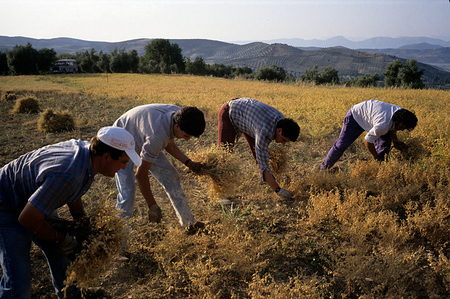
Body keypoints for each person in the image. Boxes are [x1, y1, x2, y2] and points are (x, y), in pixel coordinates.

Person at [0, 126, 141, 298]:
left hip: (35, 198)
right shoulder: (69, 173)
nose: (125, 168)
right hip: (6, 204)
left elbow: (69, 190)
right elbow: (27, 219)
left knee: (59, 251)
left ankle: (71, 294)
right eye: (124, 162)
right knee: (17, 279)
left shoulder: (85, 155)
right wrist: (63, 239)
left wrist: (79, 216)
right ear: (106, 157)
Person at [113, 104, 206, 231]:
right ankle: (119, 239)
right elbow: (140, 175)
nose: (187, 140)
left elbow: (169, 144)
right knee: (128, 192)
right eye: (186, 136)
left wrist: (189, 163)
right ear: (177, 126)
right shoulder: (157, 137)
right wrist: (152, 205)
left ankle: (189, 224)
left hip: (142, 135)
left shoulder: (178, 114)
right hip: (120, 140)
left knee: (171, 176)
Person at [217, 97, 300, 200]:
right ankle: (220, 194)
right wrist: (278, 190)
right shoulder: (263, 133)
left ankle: (267, 181)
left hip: (247, 117)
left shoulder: (282, 120)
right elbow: (264, 165)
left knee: (259, 155)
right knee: (224, 155)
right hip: (230, 112)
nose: (283, 143)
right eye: (283, 140)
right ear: (279, 131)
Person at [320, 99, 418, 170]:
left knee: (385, 144)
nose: (402, 129)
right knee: (342, 144)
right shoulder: (383, 125)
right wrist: (375, 156)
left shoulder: (401, 114)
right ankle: (324, 168)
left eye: (404, 128)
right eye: (402, 127)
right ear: (397, 121)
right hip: (356, 117)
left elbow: (392, 129)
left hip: (373, 116)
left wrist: (396, 142)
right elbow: (367, 141)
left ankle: (380, 170)